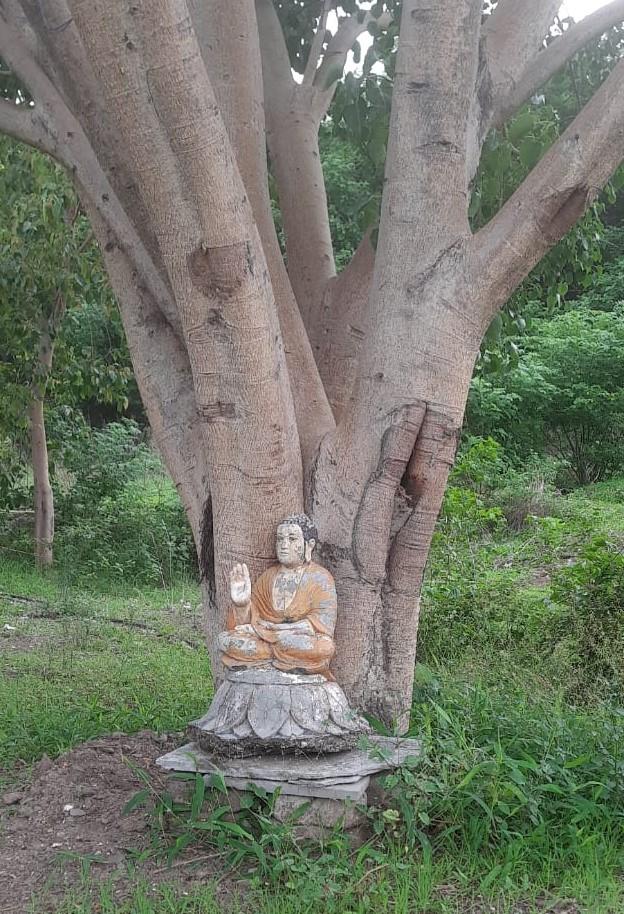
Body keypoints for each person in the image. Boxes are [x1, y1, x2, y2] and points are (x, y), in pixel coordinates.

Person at [217, 513, 337, 678]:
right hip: (267, 641)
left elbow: (321, 625)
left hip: (295, 641)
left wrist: (274, 632)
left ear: (309, 545)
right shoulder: (268, 577)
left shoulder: (320, 578)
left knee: (324, 647)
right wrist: (242, 604)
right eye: (280, 539)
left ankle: (270, 656)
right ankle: (277, 657)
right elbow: (244, 624)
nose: (284, 545)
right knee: (224, 639)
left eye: (292, 539)